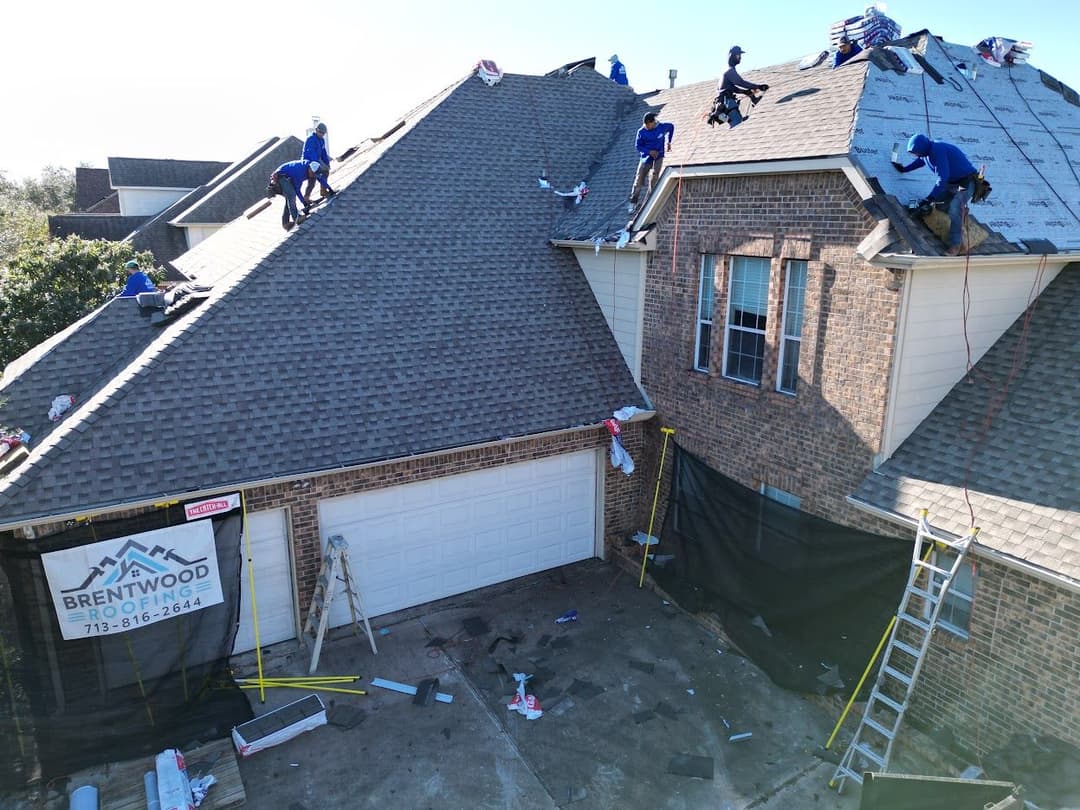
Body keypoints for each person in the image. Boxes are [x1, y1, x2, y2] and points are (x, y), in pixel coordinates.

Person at [894, 133, 978, 255]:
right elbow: (921, 161)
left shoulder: (938, 150)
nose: (916, 155)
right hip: (952, 182)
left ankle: (955, 246)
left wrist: (930, 197)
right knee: (938, 205)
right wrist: (904, 169)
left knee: (954, 208)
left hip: (966, 182)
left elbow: (943, 177)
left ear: (922, 148)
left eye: (917, 152)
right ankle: (961, 216)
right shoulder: (926, 152)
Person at [267, 160, 335, 230]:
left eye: (315, 174)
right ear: (309, 169)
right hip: (280, 177)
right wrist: (304, 203)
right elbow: (297, 190)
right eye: (313, 174)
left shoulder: (312, 169)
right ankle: (297, 218)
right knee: (291, 195)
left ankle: (286, 224)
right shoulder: (299, 172)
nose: (313, 176)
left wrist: (330, 189)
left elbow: (320, 178)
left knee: (289, 198)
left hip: (287, 176)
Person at [713, 46, 769, 128]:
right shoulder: (730, 71)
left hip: (723, 106)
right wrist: (758, 86)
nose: (740, 58)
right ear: (732, 56)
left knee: (735, 122)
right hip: (727, 103)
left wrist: (745, 91)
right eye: (738, 55)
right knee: (737, 124)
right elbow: (740, 82)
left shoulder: (727, 72)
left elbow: (731, 88)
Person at [629, 113, 674, 205]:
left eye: (654, 123)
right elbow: (638, 146)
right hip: (646, 158)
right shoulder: (641, 132)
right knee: (639, 179)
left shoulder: (661, 127)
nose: (653, 125)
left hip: (659, 156)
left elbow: (672, 127)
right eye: (651, 124)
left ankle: (650, 200)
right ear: (647, 123)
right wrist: (649, 152)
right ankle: (633, 201)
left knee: (655, 176)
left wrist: (669, 142)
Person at [302, 122, 331, 203]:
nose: (321, 134)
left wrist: (327, 163)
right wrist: (316, 164)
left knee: (324, 172)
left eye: (323, 133)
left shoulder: (321, 140)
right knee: (313, 178)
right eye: (320, 132)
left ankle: (323, 190)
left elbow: (323, 153)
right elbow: (310, 152)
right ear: (316, 130)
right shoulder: (311, 139)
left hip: (316, 161)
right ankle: (306, 198)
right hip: (308, 162)